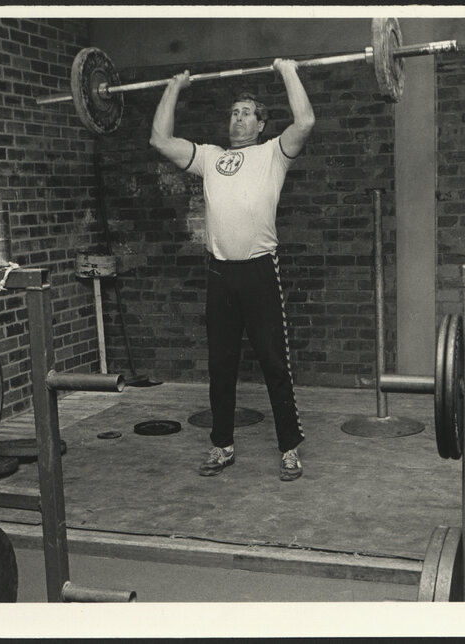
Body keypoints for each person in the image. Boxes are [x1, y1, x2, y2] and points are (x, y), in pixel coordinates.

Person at [149, 59, 315, 481]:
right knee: (221, 366)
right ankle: (222, 446)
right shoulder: (210, 157)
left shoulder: (273, 153)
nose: (237, 119)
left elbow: (305, 121)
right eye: (234, 113)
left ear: (261, 124)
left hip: (260, 272)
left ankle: (289, 448)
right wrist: (174, 85)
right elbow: (160, 139)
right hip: (220, 274)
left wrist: (288, 71)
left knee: (274, 363)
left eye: (246, 113)